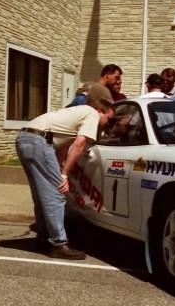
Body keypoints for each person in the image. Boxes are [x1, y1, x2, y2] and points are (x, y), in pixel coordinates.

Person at [16, 84, 115, 260]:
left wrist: (62, 166)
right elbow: (79, 144)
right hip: (39, 140)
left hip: (24, 138)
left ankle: (43, 240)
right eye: (109, 119)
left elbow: (62, 148)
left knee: (42, 195)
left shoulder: (78, 112)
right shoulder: (92, 114)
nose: (108, 125)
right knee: (57, 194)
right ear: (101, 110)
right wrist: (64, 175)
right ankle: (58, 244)